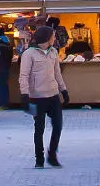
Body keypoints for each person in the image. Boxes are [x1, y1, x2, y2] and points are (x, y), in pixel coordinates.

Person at [19, 25, 66, 168]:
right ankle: (39, 158)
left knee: (58, 125)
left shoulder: (53, 52)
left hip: (53, 95)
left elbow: (57, 73)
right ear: (46, 38)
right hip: (36, 97)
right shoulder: (29, 54)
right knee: (39, 128)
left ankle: (52, 154)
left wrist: (63, 90)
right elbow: (24, 76)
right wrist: (25, 95)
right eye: (53, 36)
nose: (55, 38)